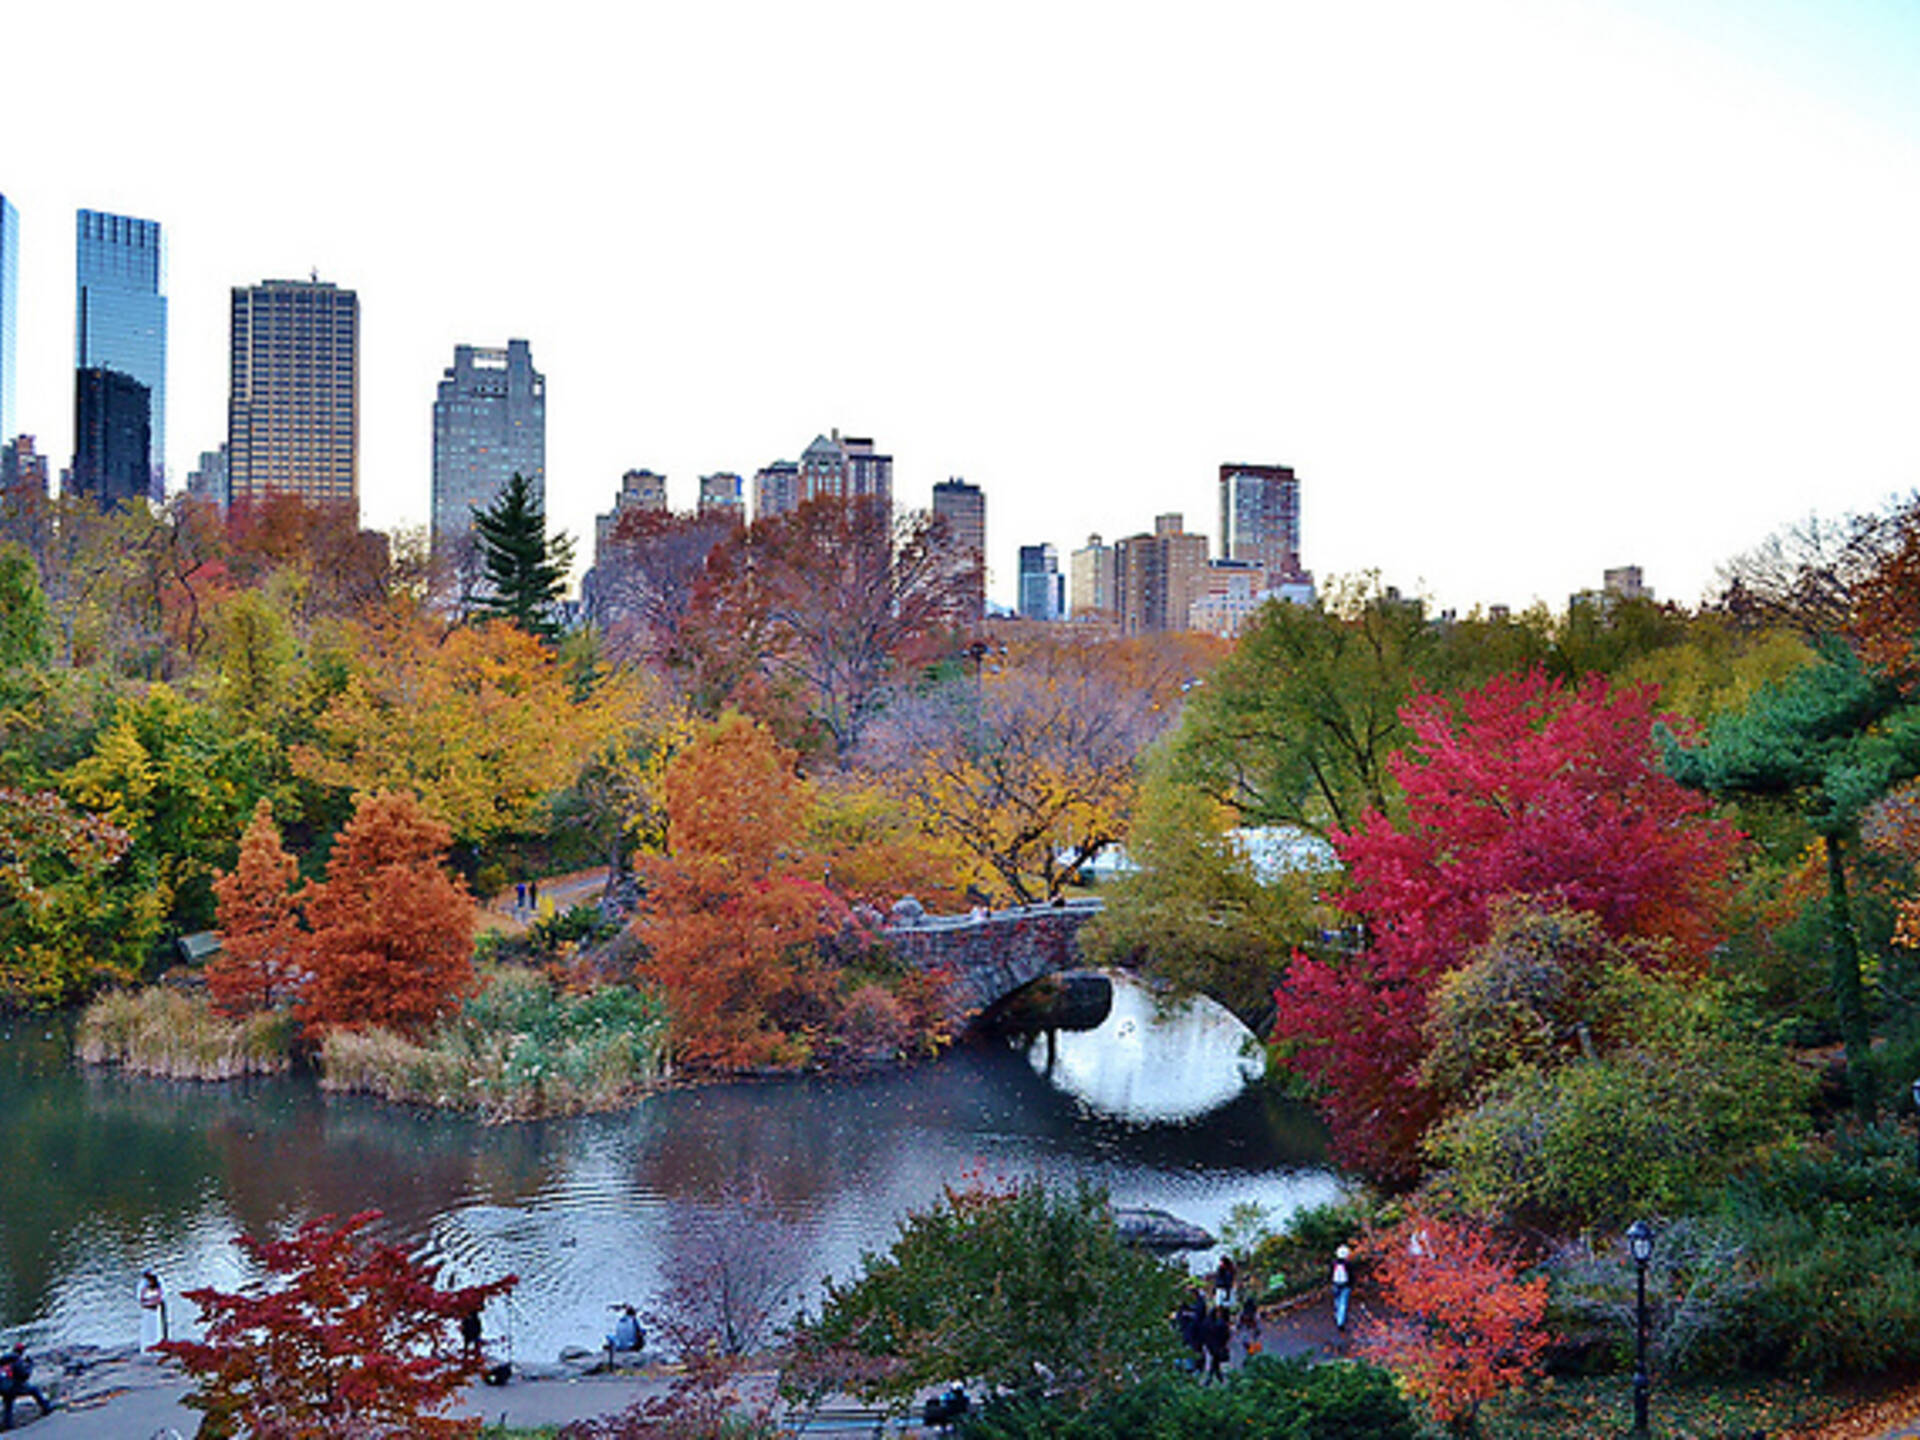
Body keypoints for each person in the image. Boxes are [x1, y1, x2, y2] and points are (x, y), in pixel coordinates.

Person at [0, 1342, 53, 1428]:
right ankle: (46, 1408)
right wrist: (30, 1365)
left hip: (3, 1387)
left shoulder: (3, 1361)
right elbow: (24, 1375)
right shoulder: (17, 1360)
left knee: (8, 1403)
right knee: (34, 1390)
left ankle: (7, 1423)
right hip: (13, 1386)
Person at [1202, 1304, 1232, 1382]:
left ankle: (1213, 1378)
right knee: (1215, 1362)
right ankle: (1215, 1378)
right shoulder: (1218, 1323)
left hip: (1214, 1345)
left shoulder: (1210, 1322)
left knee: (1215, 1362)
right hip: (1215, 1344)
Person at [138, 1271, 167, 1351]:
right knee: (147, 1331)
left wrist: (154, 1302)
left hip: (156, 1312)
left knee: (157, 1330)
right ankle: (147, 1347)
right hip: (147, 1313)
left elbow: (161, 1298)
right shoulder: (144, 1287)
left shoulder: (159, 1287)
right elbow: (141, 1299)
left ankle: (159, 1345)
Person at [1331, 1244, 1353, 1332]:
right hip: (1345, 1285)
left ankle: (1337, 1317)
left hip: (1335, 1284)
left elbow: (1330, 1274)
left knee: (1337, 1300)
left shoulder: (1334, 1263)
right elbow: (1351, 1275)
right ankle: (1340, 1322)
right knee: (1343, 1303)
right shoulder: (1348, 1264)